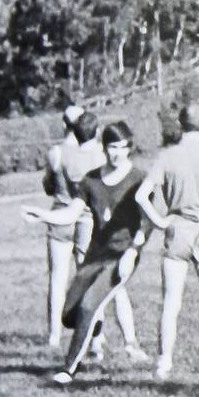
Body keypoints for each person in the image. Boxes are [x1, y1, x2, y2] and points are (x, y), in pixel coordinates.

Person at [137, 103, 199, 378]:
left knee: (171, 302)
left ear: (180, 124)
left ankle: (164, 362)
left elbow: (140, 196)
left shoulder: (166, 158)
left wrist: (159, 221)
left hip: (177, 232)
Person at [52, 122, 152, 383]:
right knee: (69, 315)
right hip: (95, 253)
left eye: (123, 147)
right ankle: (92, 322)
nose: (118, 153)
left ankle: (67, 369)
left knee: (87, 306)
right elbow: (72, 213)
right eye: (112, 147)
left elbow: (147, 222)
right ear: (104, 148)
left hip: (122, 254)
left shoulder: (139, 179)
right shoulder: (91, 180)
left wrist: (133, 250)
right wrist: (43, 215)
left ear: (130, 148)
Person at [34, 107, 106, 347]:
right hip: (87, 218)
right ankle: (96, 336)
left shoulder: (56, 153)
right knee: (87, 278)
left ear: (64, 125)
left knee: (57, 277)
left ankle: (54, 334)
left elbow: (48, 186)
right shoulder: (97, 155)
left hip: (60, 215)